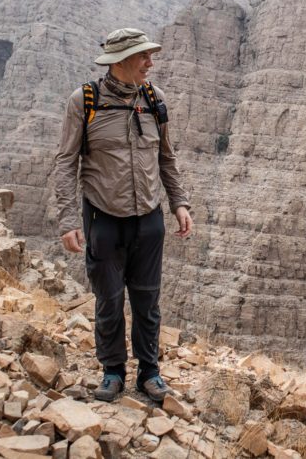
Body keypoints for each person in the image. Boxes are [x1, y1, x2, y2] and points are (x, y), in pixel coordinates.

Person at [52, 28, 193, 403]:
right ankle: (112, 372)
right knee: (109, 300)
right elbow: (66, 163)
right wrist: (68, 220)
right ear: (120, 62)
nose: (151, 63)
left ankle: (150, 373)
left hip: (149, 219)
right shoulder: (85, 101)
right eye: (143, 56)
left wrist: (179, 202)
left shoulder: (154, 100)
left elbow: (166, 157)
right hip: (103, 219)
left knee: (148, 301)